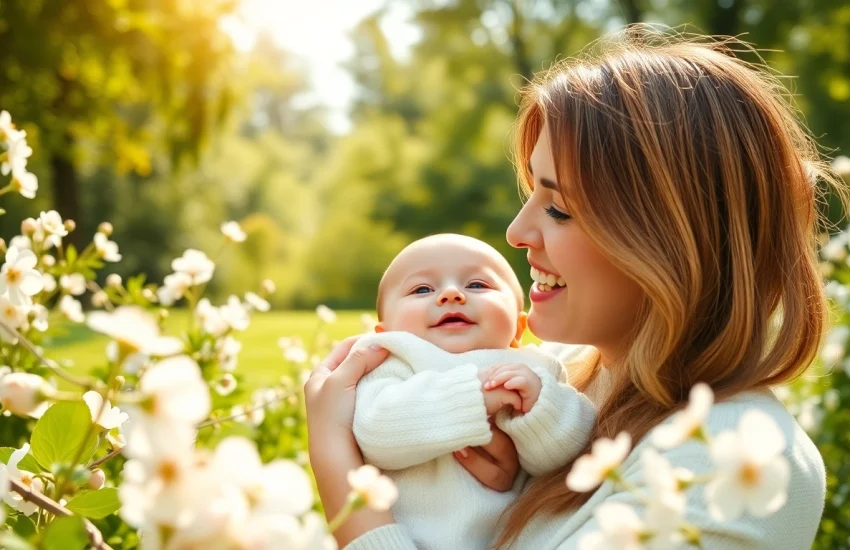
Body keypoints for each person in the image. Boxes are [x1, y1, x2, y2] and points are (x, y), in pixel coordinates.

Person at [306, 26, 837, 550]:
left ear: (671, 242)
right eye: (532, 191)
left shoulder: (735, 465)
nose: (516, 232)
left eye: (559, 208)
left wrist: (342, 482)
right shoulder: (567, 374)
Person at [350, 233, 596, 550]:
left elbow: (567, 453)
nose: (451, 294)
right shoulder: (395, 362)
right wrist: (473, 397)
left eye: (477, 285)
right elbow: (374, 433)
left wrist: (539, 406)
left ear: (518, 329)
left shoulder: (532, 370)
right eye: (422, 289)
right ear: (386, 331)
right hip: (404, 539)